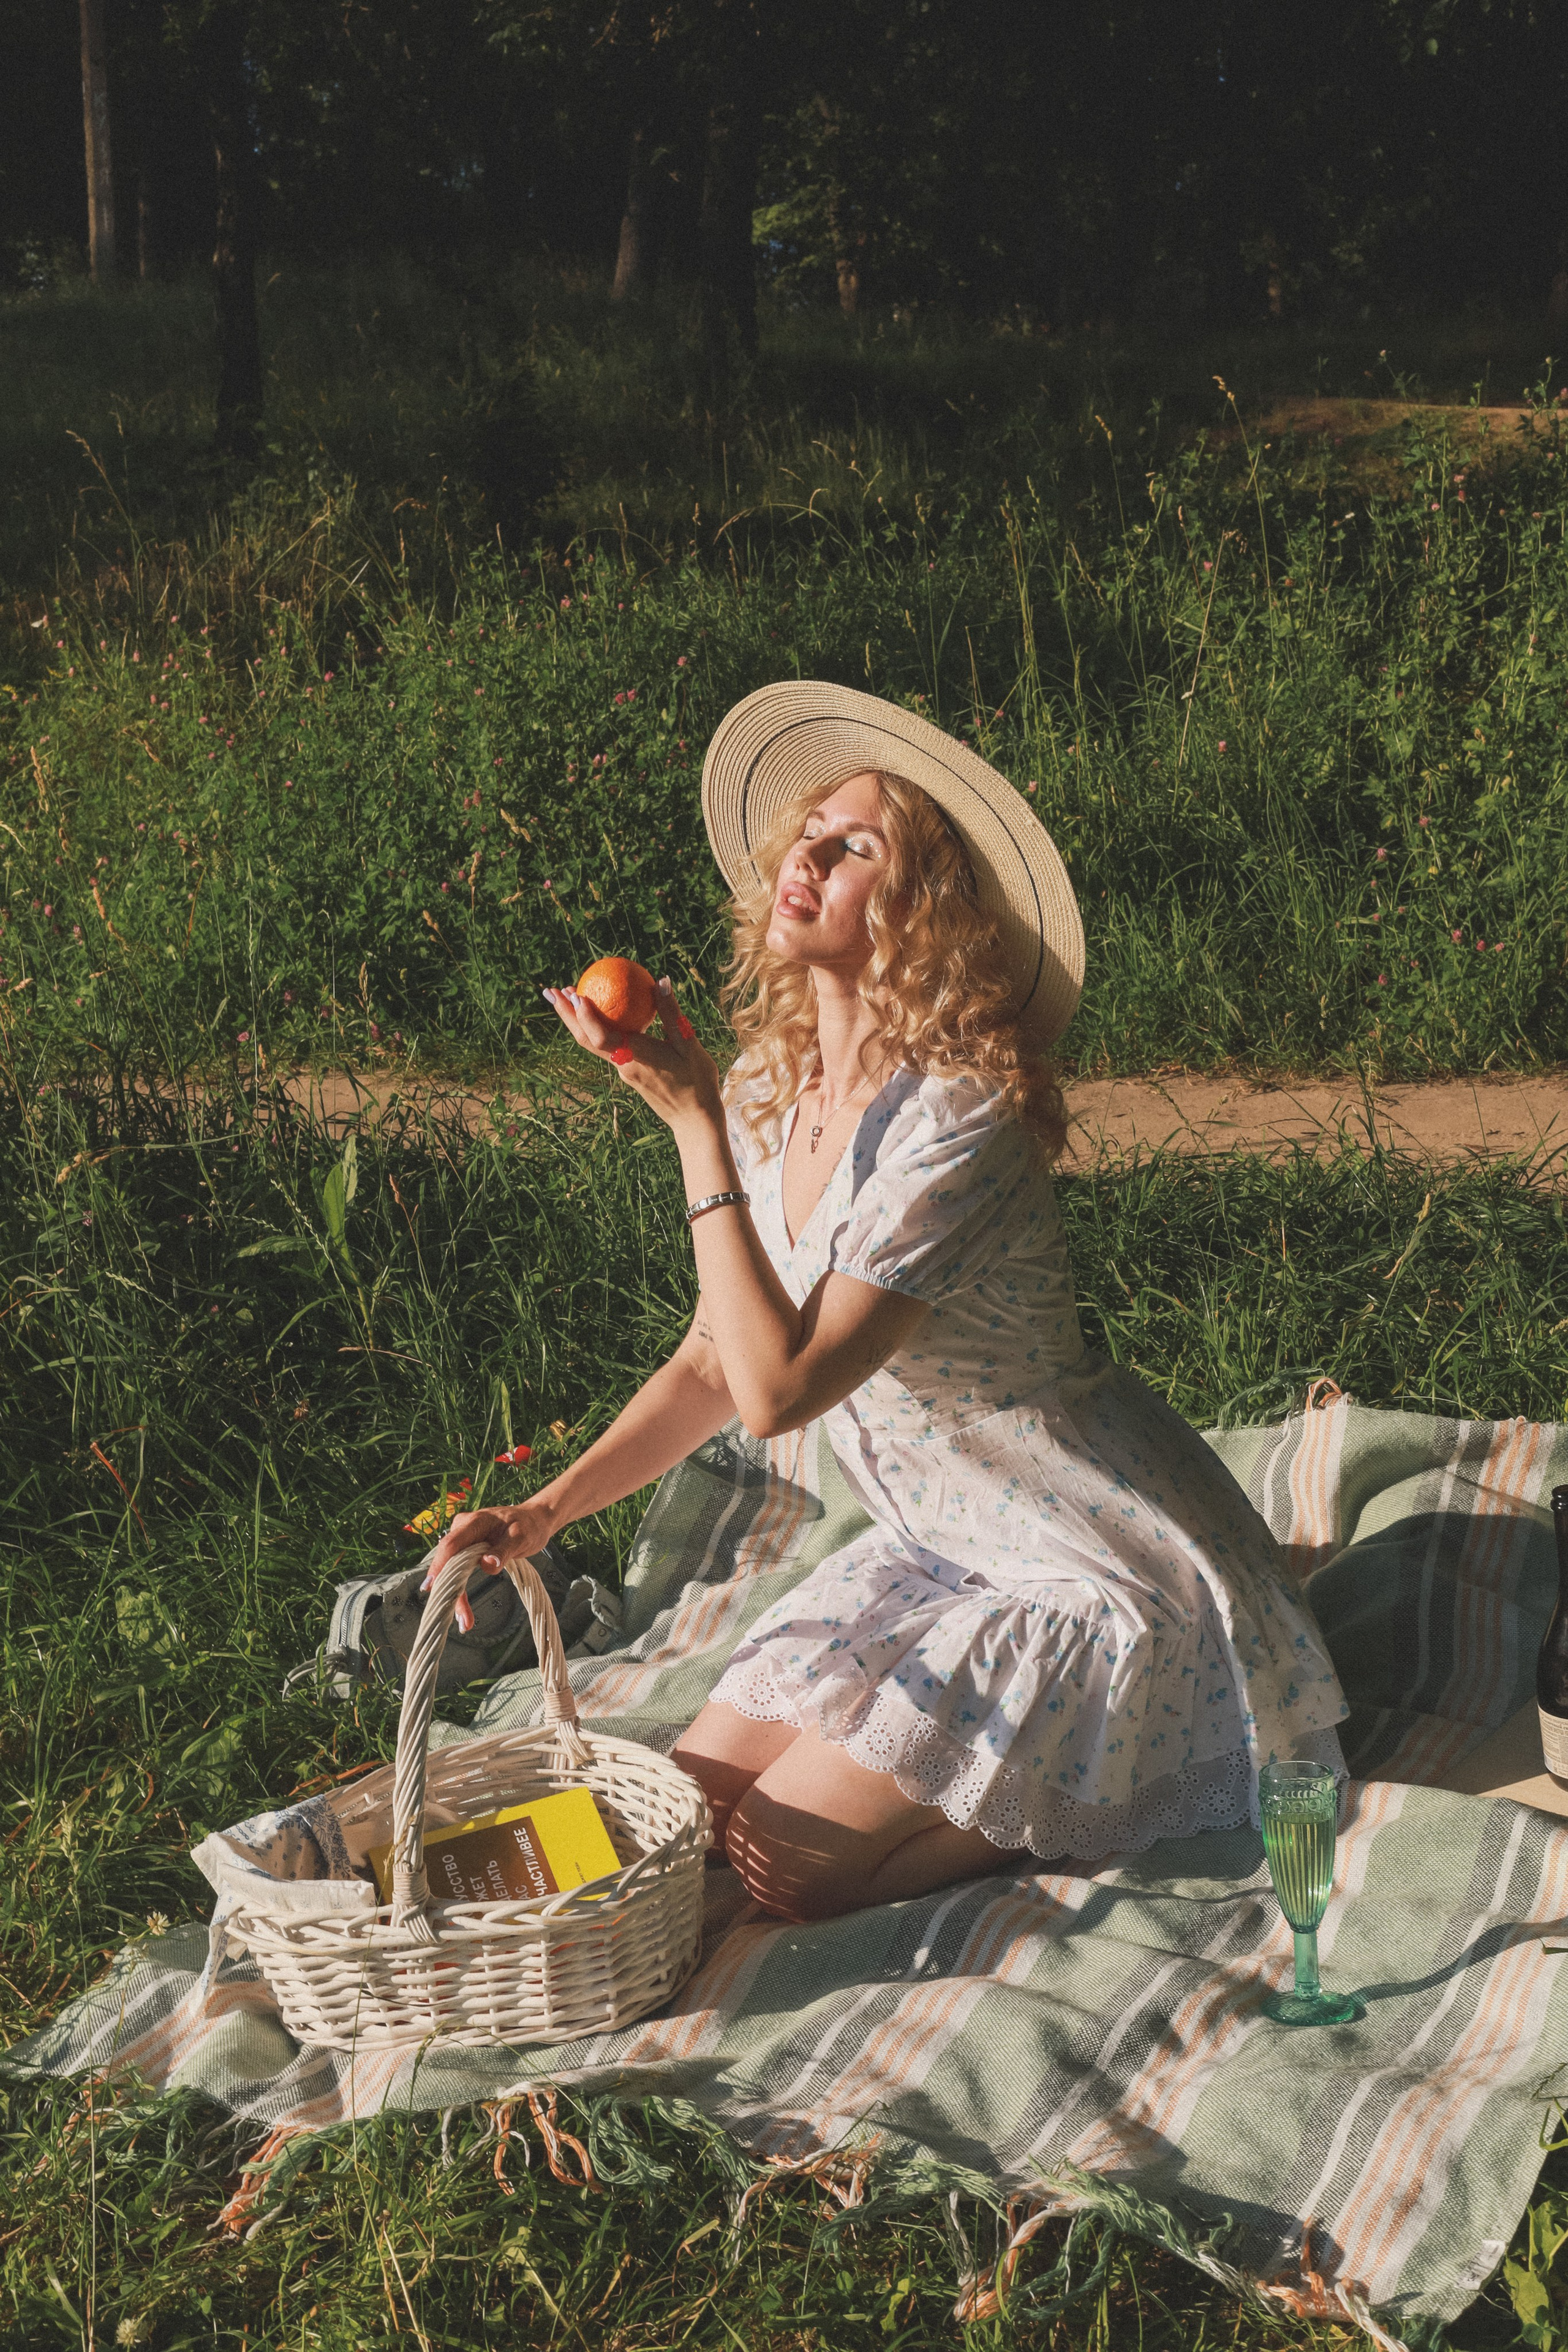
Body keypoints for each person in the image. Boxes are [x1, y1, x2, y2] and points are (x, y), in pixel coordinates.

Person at [428, 680, 1348, 1924]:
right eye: (805, 834)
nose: (802, 856)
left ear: (923, 913)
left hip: (1087, 1569)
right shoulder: (769, 1086)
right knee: (680, 1805)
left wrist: (688, 1126)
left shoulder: (960, 1121)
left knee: (785, 1868)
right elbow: (715, 1359)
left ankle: (1091, 1797)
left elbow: (778, 1397)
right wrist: (545, 1509)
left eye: (850, 846)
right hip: (938, 1553)